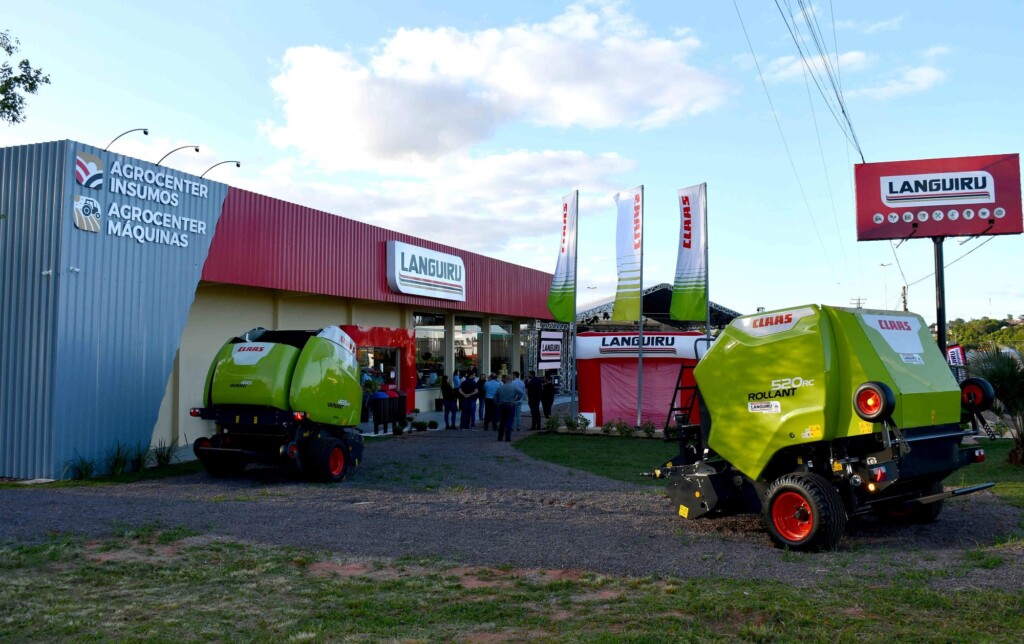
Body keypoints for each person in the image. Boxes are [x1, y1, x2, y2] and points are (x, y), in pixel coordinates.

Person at [495, 374, 524, 442]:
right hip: (511, 405)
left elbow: (495, 396)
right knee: (509, 421)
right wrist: (516, 399)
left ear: (505, 380)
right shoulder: (513, 387)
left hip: (502, 405)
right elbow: (522, 393)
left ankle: (500, 437)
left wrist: (497, 403)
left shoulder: (500, 387)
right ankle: (507, 437)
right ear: (511, 380)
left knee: (502, 421)